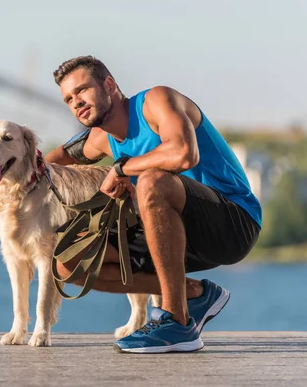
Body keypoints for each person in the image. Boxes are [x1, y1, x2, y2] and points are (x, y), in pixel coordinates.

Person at [45, 55, 261, 353]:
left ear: (109, 85)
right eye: (69, 98)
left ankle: (176, 321)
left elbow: (184, 154)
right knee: (69, 262)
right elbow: (52, 161)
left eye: (82, 90)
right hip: (171, 236)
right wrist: (5, 167)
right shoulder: (100, 139)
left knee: (151, 181)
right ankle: (195, 295)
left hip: (232, 223)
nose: (76, 102)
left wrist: (121, 168)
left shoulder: (155, 102)